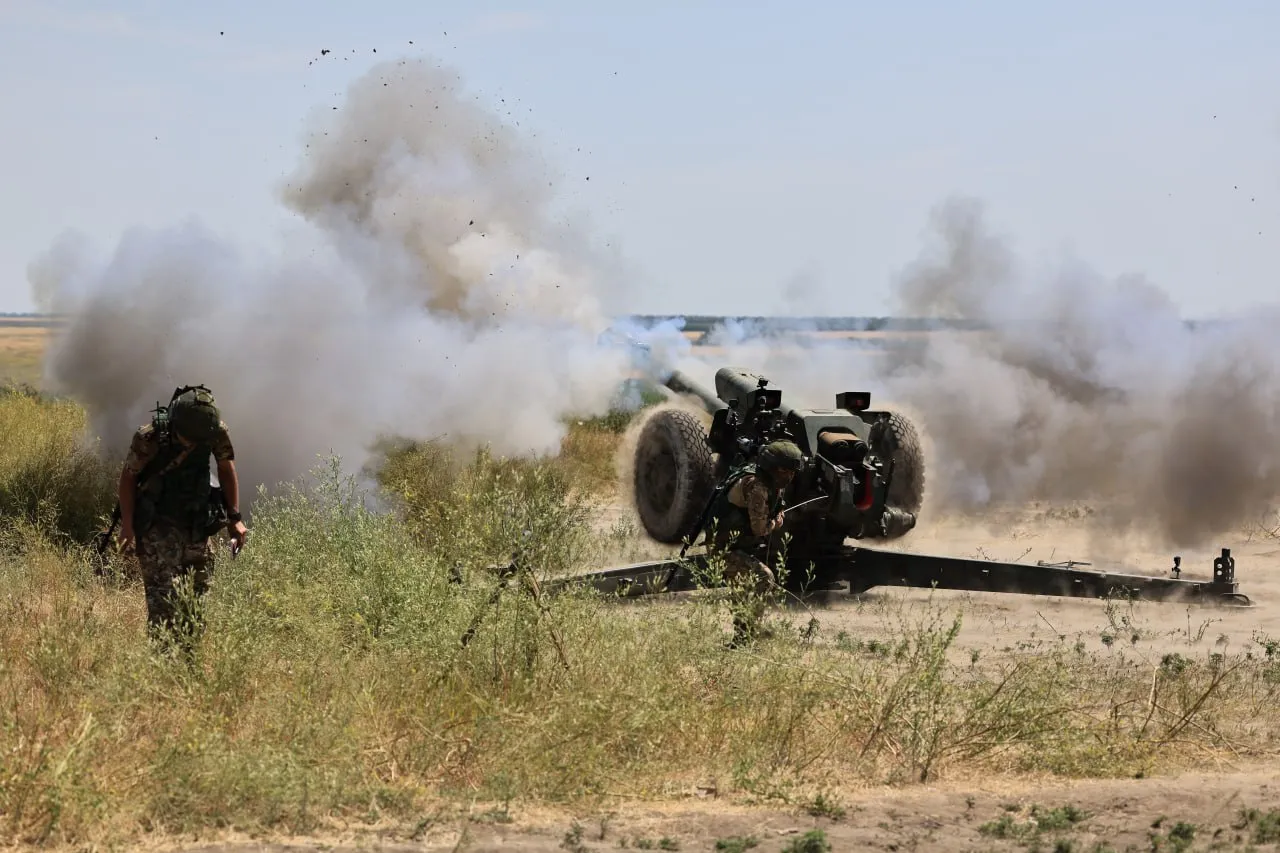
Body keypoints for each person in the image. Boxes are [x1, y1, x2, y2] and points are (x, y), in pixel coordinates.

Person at [116, 385, 248, 649]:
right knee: (163, 607)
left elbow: (225, 467)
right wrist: (128, 526)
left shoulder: (214, 431)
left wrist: (235, 518)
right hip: (156, 528)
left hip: (196, 526)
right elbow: (128, 477)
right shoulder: (149, 437)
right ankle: (161, 672)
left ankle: (188, 666)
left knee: (196, 605)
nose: (193, 443)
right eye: (188, 438)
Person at [703, 439, 805, 647]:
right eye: (786, 471)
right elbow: (760, 528)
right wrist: (777, 522)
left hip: (737, 545)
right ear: (773, 469)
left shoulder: (771, 484)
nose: (790, 476)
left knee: (743, 592)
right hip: (722, 548)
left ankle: (744, 635)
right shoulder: (756, 486)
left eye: (793, 472)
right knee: (763, 577)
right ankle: (747, 634)